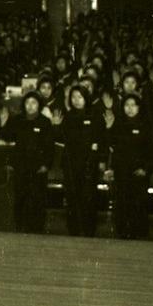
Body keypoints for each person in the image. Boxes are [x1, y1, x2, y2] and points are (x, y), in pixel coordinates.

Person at [52, 85, 106, 237]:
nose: (76, 100)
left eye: (80, 97)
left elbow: (101, 139)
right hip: (70, 163)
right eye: (73, 97)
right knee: (72, 196)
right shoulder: (67, 116)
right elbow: (60, 140)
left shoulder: (94, 115)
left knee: (88, 197)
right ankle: (74, 229)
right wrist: (56, 126)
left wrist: (100, 159)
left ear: (86, 98)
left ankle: (89, 230)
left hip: (89, 163)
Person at [104, 92, 153, 240]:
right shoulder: (118, 123)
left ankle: (138, 234)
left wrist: (145, 168)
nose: (130, 108)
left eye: (133, 105)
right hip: (122, 172)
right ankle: (122, 233)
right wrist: (109, 128)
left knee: (138, 205)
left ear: (139, 107)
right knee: (121, 204)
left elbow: (152, 151)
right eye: (127, 105)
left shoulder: (146, 125)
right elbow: (112, 147)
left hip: (139, 173)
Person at [1, 91, 54, 233]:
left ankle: (37, 229)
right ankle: (20, 227)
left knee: (37, 200)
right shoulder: (17, 120)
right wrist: (4, 122)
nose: (30, 106)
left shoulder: (44, 122)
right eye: (27, 103)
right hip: (21, 167)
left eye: (34, 103)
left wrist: (45, 165)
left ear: (39, 105)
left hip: (38, 168)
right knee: (20, 199)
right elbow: (6, 137)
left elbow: (49, 147)